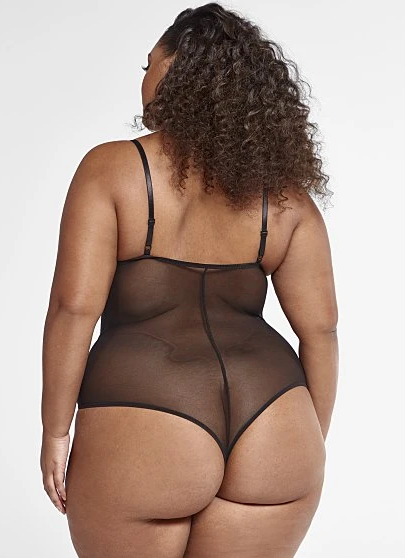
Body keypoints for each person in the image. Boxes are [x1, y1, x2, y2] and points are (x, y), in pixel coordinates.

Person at [40, 3, 338, 557]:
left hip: (146, 411)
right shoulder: (286, 198)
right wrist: (306, 441)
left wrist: (56, 432)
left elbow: (73, 310)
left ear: (177, 68)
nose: (144, 77)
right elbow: (320, 333)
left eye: (148, 63)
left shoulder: (112, 169)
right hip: (276, 418)